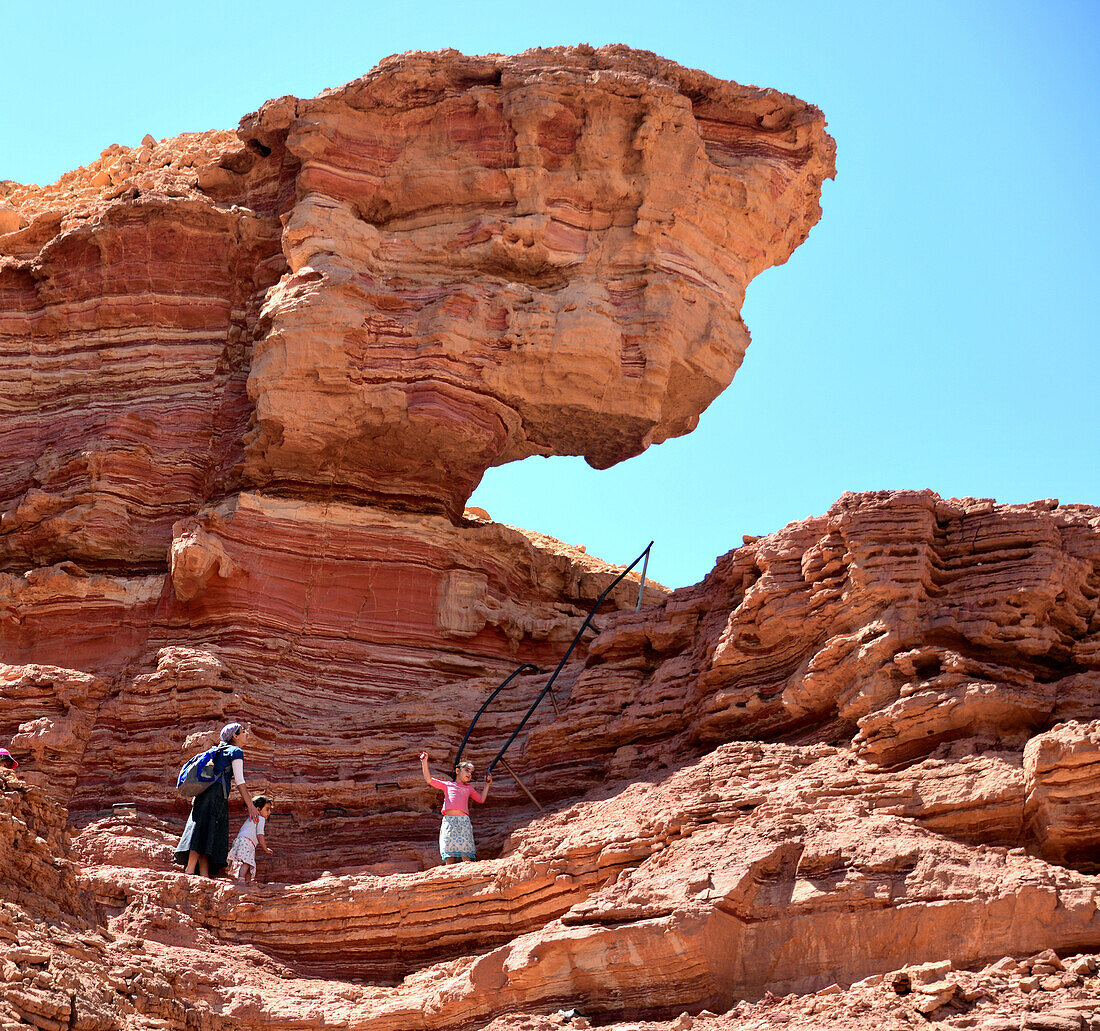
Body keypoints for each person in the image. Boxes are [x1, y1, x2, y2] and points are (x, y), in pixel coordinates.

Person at [174, 723, 259, 878]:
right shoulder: (236, 751)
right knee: (206, 831)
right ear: (235, 735)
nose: (247, 733)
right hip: (216, 796)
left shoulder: (218, 750)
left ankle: (202, 874)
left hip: (203, 795)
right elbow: (240, 781)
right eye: (243, 731)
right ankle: (190, 871)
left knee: (202, 829)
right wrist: (251, 806)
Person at [419, 752, 492, 864]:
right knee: (449, 851)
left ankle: (467, 873)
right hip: (449, 821)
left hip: (463, 821)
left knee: (465, 853)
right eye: (467, 770)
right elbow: (429, 780)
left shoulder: (469, 788)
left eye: (471, 772)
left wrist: (487, 785)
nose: (469, 774)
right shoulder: (448, 785)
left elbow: (481, 799)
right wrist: (424, 762)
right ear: (458, 771)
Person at [227, 795, 274, 883]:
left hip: (240, 840)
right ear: (258, 809)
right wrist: (265, 849)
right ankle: (241, 880)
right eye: (267, 809)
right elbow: (260, 835)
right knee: (246, 862)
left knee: (248, 862)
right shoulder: (261, 819)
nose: (269, 812)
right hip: (247, 842)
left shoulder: (251, 818)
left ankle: (248, 881)